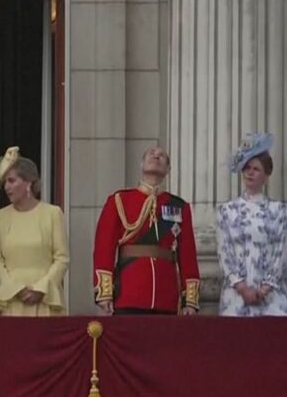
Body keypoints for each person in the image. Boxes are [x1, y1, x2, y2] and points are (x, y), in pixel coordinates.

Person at [93, 147, 200, 315]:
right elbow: (104, 247)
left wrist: (190, 300)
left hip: (166, 296)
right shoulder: (120, 200)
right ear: (141, 165)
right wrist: (105, 292)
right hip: (129, 293)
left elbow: (188, 255)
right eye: (151, 153)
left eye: (162, 155)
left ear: (168, 169)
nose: (156, 155)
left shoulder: (179, 206)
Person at [0, 147, 69, 316]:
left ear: (28, 183)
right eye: (5, 182)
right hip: (11, 301)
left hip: (46, 300)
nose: (7, 187)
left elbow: (62, 258)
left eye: (12, 181)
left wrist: (41, 288)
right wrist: (16, 289)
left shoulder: (53, 214)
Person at [217, 133, 287, 316]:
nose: (250, 172)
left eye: (256, 169)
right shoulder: (227, 210)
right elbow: (224, 252)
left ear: (266, 175)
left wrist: (265, 289)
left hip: (272, 297)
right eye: (247, 168)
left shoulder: (279, 210)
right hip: (236, 297)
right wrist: (242, 288)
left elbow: (281, 252)